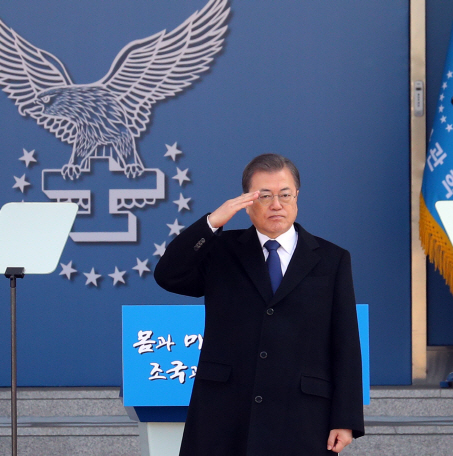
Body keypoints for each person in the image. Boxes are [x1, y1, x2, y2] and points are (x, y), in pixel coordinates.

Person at [154, 153, 364, 456]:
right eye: (264, 196)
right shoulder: (222, 251)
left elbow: (345, 343)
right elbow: (169, 275)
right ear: (247, 201)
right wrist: (213, 222)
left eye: (284, 194)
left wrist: (345, 419)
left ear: (297, 196)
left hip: (302, 414)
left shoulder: (332, 259)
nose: (276, 204)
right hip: (224, 412)